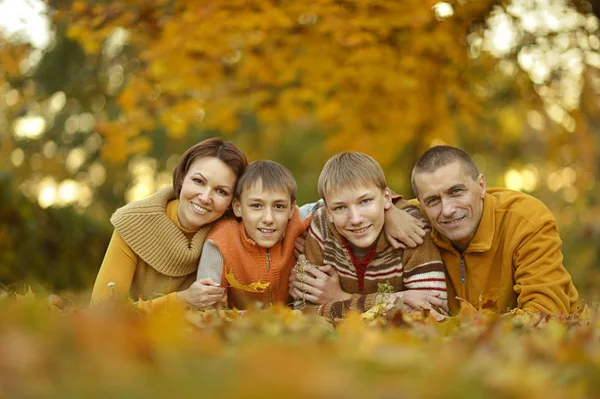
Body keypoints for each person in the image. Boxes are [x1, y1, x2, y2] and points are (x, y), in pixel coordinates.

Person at [410, 145, 579, 314]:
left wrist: (467, 333)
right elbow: (384, 200)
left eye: (456, 191)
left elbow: (546, 313)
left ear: (481, 186)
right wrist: (392, 215)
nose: (447, 210)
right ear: (421, 204)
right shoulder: (410, 220)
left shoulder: (526, 220)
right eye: (433, 200)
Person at [90, 137, 248, 312]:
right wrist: (182, 300)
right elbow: (102, 310)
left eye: (221, 191)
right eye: (198, 181)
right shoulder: (134, 222)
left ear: (232, 201)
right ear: (182, 177)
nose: (205, 197)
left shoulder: (230, 233)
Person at [293, 152, 448, 319]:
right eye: (340, 208)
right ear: (328, 211)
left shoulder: (410, 227)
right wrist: (394, 300)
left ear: (387, 198)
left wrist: (340, 299)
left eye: (365, 201)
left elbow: (432, 311)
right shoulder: (320, 226)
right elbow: (303, 312)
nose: (356, 219)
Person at [196, 160, 312, 309]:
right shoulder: (220, 242)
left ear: (291, 209)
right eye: (256, 206)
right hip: (239, 325)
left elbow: (332, 200)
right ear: (238, 207)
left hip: (291, 323)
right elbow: (206, 308)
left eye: (279, 206)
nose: (268, 219)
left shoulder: (297, 223)